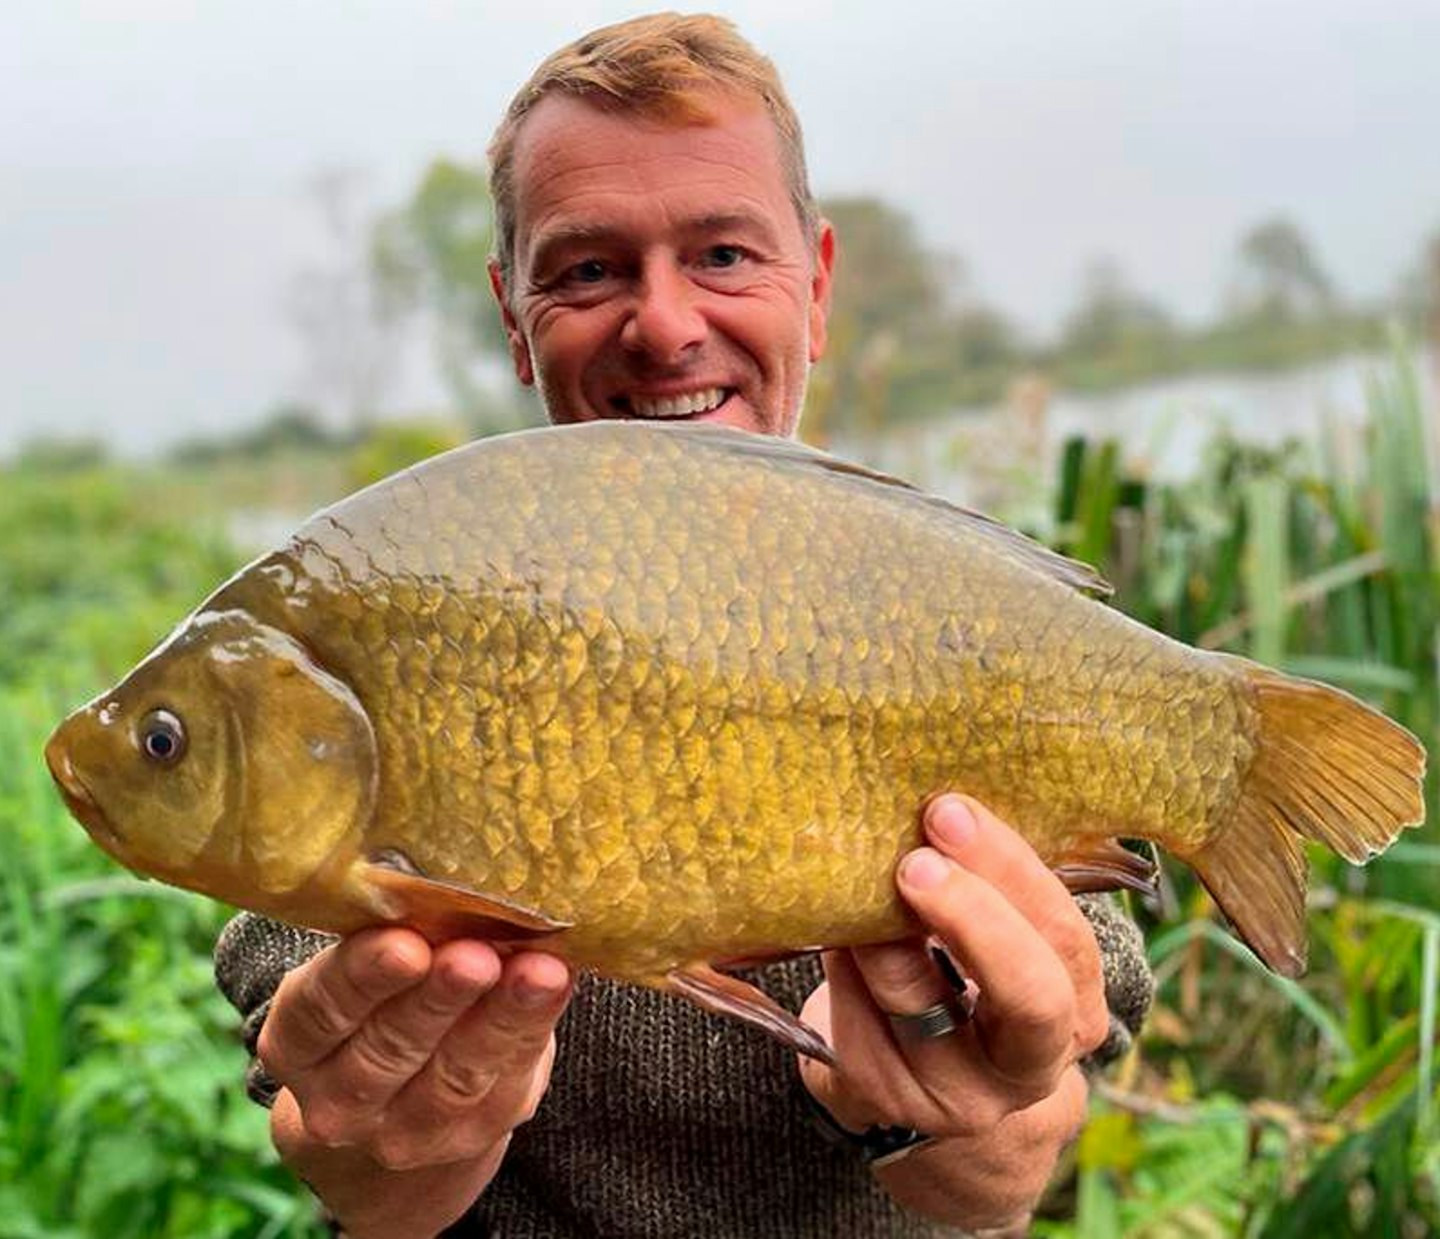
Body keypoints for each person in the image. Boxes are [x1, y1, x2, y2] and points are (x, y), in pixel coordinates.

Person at [215, 14, 1154, 1237]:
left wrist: (961, 1104)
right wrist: (400, 1149)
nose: (663, 328)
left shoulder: (951, 617)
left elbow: (1006, 1177)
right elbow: (377, 1190)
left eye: (720, 254)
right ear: (514, 313)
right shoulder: (403, 617)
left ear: (814, 287)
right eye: (589, 270)